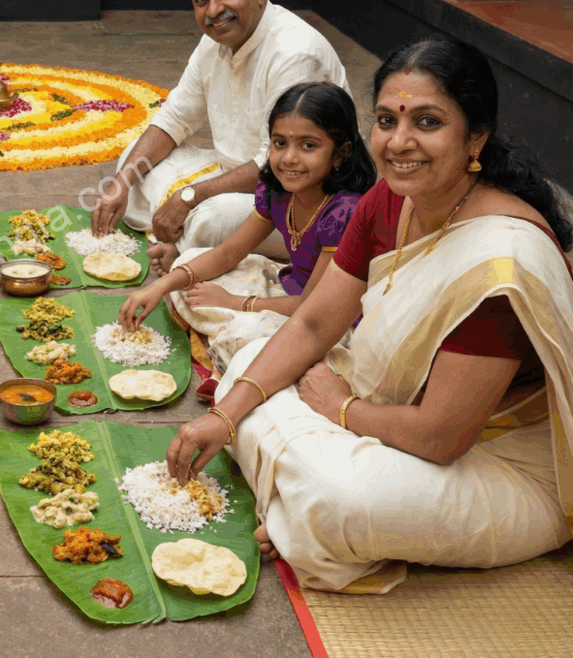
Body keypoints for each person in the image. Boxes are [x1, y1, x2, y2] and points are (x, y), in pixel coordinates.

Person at [167, 39, 573, 594]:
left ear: (475, 137)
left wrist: (341, 407)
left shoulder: (500, 263)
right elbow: (313, 324)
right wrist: (226, 418)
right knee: (245, 378)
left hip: (499, 461)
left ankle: (308, 514)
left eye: (427, 122)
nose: (399, 142)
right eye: (386, 120)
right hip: (390, 417)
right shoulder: (389, 198)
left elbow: (441, 439)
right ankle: (297, 513)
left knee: (340, 497)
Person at [90, 0, 350, 274]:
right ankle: (182, 240)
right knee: (131, 165)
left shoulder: (294, 53)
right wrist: (120, 185)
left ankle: (187, 249)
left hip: (297, 195)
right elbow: (174, 119)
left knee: (207, 221)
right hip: (232, 174)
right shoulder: (212, 42)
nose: (214, 10)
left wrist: (189, 197)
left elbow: (274, 167)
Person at [119, 82, 376, 371]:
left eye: (308, 145)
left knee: (246, 342)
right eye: (280, 143)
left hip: (329, 318)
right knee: (188, 262)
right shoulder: (279, 191)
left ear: (340, 153)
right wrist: (159, 287)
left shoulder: (344, 213)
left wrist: (235, 303)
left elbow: (312, 305)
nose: (289, 158)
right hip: (289, 288)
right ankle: (230, 333)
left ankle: (239, 344)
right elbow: (229, 253)